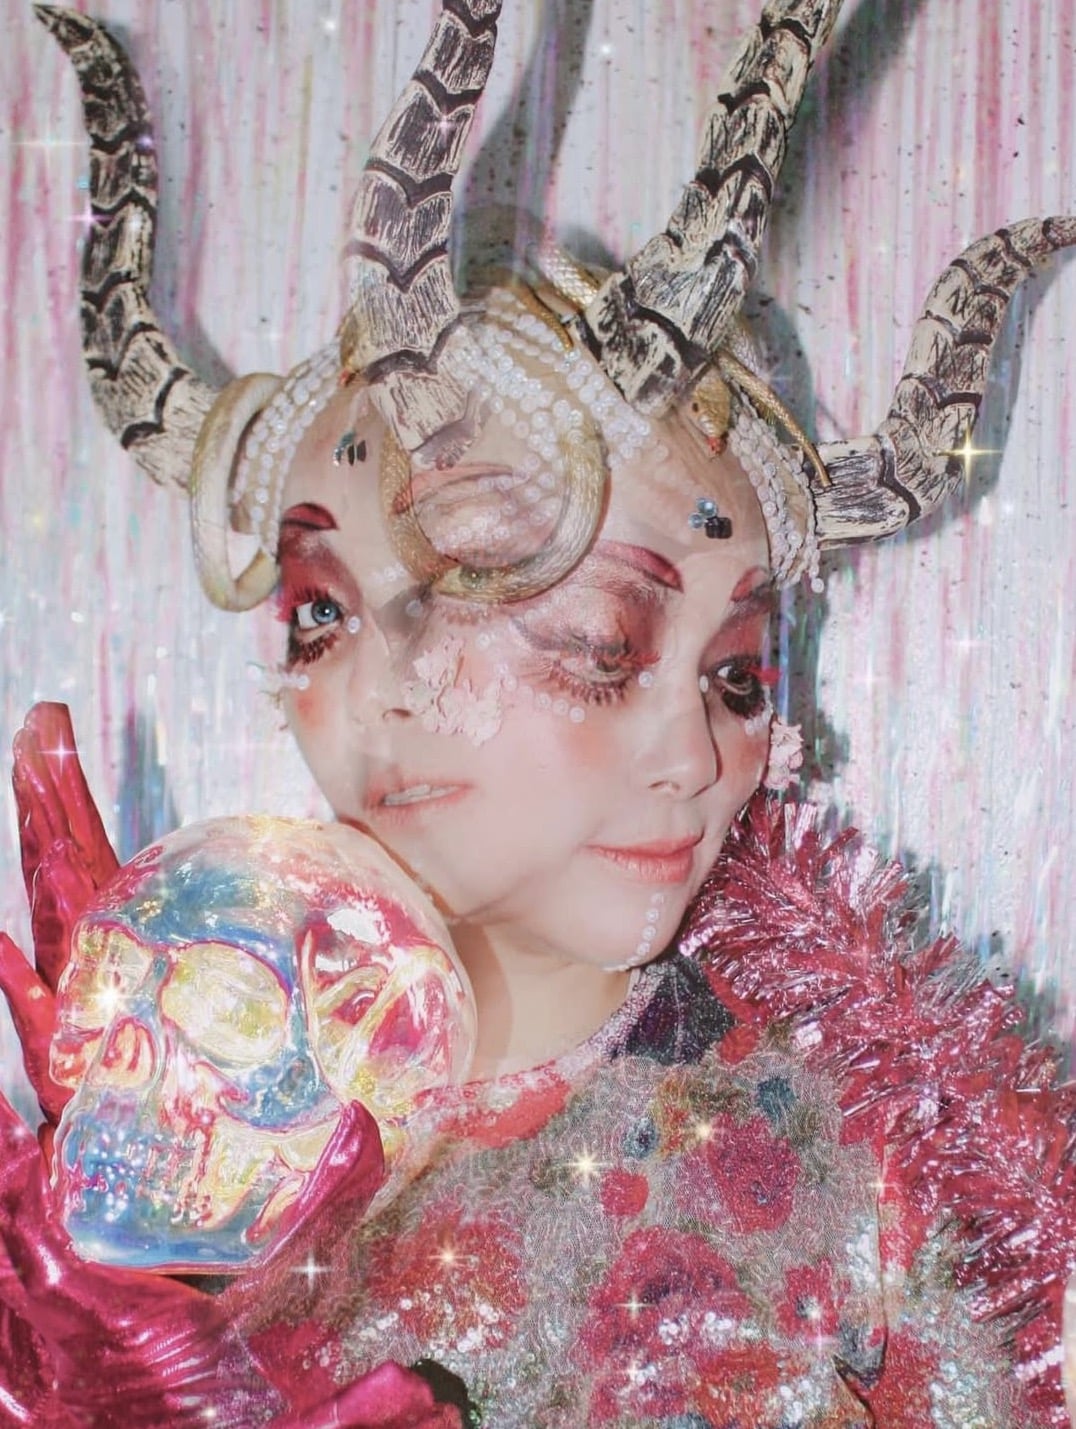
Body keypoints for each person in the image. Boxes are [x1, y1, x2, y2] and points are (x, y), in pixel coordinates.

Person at [2, 1, 1075, 1425]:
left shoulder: (838, 1164)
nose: (698, 762)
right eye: (601, 651)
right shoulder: (206, 1124)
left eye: (738, 676)